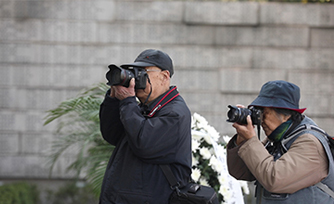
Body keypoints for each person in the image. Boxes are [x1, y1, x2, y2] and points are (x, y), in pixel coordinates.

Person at [99, 49, 192, 204]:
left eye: (143, 72)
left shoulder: (175, 113)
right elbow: (111, 134)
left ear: (164, 76)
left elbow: (144, 144)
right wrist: (114, 99)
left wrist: (128, 102)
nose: (136, 77)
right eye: (135, 72)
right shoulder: (142, 107)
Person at [226, 80, 334, 204]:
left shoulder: (309, 142)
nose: (260, 119)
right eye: (258, 112)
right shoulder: (278, 139)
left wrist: (251, 140)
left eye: (264, 113)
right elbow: (240, 171)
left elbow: (274, 179)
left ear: (285, 115)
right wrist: (242, 139)